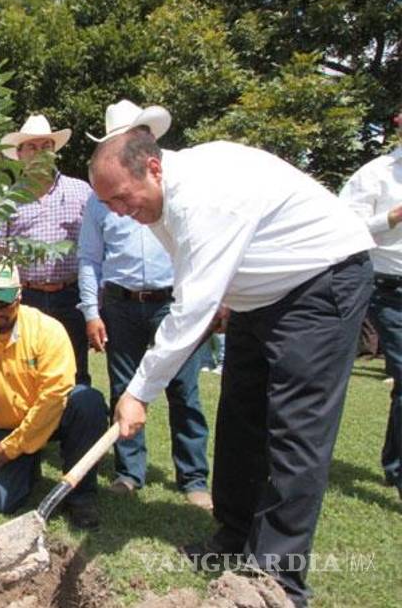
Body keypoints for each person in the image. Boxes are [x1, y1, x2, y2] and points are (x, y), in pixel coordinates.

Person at [91, 130, 374, 606]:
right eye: (108, 203)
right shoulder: (159, 203)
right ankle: (231, 539)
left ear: (153, 168)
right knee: (240, 421)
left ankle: (275, 580)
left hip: (319, 286)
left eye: (121, 197)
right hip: (257, 301)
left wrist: (137, 392)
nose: (118, 211)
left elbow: (190, 306)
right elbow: (194, 273)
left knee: (294, 432)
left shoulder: (204, 196)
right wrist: (225, 299)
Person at [77, 100, 211, 509]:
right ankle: (129, 472)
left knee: (184, 391)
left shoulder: (178, 192)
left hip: (172, 301)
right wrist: (91, 311)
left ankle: (193, 478)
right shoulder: (99, 199)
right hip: (120, 304)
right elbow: (89, 258)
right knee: (124, 389)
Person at [0, 269, 106, 530]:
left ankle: (81, 496)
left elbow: (55, 395)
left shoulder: (47, 330)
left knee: (89, 402)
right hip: (9, 425)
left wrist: (15, 446)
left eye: (3, 305)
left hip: (53, 417)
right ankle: (29, 466)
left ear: (18, 297)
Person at [0, 114, 92, 385]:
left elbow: (97, 245)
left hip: (71, 295)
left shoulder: (81, 191)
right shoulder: (7, 200)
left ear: (54, 151)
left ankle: (76, 423)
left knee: (74, 367)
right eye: (32, 147)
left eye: (45, 146)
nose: (39, 153)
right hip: (27, 298)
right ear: (20, 153)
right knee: (26, 369)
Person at [338, 107, 402, 502]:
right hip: (385, 286)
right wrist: (394, 217)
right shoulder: (375, 174)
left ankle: (395, 463)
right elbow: (344, 225)